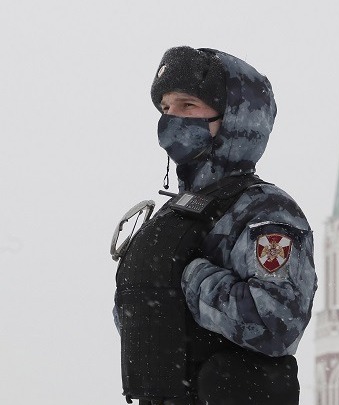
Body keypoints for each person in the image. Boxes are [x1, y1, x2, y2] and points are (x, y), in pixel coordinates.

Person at [113, 46, 317, 405]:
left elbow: (275, 326)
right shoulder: (171, 215)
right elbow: (137, 323)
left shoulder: (266, 210)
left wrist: (190, 278)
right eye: (166, 108)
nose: (171, 118)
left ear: (235, 117)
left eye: (187, 106)